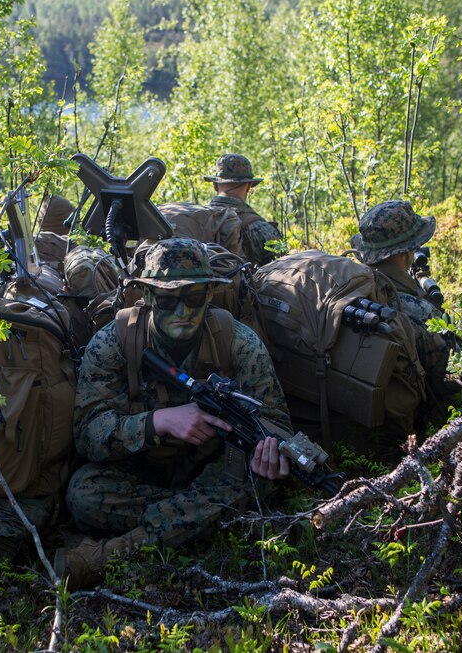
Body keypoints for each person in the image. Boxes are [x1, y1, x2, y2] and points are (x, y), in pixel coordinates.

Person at [58, 238, 291, 589]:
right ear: (148, 298)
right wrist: (157, 422)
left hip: (211, 472)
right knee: (82, 492)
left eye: (193, 298)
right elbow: (88, 434)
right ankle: (206, 521)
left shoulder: (238, 342)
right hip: (141, 472)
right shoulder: (114, 343)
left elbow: (275, 420)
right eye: (167, 300)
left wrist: (271, 452)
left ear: (209, 296)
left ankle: (112, 553)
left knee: (259, 479)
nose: (182, 311)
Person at [350, 200, 454, 404]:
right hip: (411, 423)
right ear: (406, 252)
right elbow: (449, 375)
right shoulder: (421, 312)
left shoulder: (355, 290)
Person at [204, 154, 283, 266]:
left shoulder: (195, 221)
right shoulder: (264, 230)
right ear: (249, 186)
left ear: (215, 185)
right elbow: (283, 273)